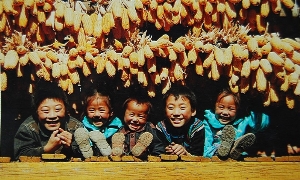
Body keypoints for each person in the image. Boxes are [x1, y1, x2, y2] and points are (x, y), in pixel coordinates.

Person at [14, 81, 84, 160]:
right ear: (36, 112)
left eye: (57, 109)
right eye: (45, 111)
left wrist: (68, 148)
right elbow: (20, 156)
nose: (52, 116)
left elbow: (85, 155)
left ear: (66, 110)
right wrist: (47, 149)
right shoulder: (28, 128)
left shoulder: (75, 127)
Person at [203, 88, 270, 160]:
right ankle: (225, 149)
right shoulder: (209, 121)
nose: (225, 113)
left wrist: (253, 108)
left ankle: (235, 149)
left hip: (237, 156)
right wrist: (207, 155)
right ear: (214, 107)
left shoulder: (242, 121)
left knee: (239, 151)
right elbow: (207, 143)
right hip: (216, 154)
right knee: (219, 149)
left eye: (231, 109)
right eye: (221, 107)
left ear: (238, 110)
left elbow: (262, 124)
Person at [74, 87, 123, 159]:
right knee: (80, 137)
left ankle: (108, 151)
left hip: (110, 164)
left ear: (111, 112)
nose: (96, 115)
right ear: (86, 112)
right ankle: (87, 151)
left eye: (101, 110)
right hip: (88, 164)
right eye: (91, 110)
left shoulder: (117, 127)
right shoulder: (82, 126)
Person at [156, 85, 205, 156]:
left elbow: (198, 154)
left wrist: (185, 153)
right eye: (170, 108)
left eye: (182, 108)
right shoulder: (161, 127)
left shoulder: (197, 127)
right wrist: (167, 150)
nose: (176, 113)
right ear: (164, 111)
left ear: (193, 111)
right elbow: (157, 151)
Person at [111, 95, 165, 160]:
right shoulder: (121, 130)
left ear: (147, 117)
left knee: (144, 148)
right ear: (124, 114)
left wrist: (155, 157)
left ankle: (140, 151)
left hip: (144, 162)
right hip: (126, 161)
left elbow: (158, 145)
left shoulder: (150, 130)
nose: (135, 120)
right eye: (131, 115)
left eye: (140, 116)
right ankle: (119, 151)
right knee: (118, 143)